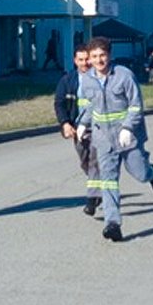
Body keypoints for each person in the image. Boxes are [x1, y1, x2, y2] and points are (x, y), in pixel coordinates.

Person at [77, 37, 153, 242]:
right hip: (103, 138)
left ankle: (152, 173)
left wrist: (127, 127)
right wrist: (82, 123)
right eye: (95, 57)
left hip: (128, 137)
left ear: (109, 56)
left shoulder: (124, 76)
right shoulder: (87, 80)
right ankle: (113, 223)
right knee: (109, 181)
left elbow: (136, 105)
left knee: (139, 173)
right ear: (89, 59)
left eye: (103, 56)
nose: (99, 60)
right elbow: (91, 106)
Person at [53, 44, 101, 215]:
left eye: (87, 59)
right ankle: (98, 188)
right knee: (86, 162)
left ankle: (91, 200)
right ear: (75, 61)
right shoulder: (68, 81)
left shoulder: (100, 77)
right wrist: (65, 123)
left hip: (99, 126)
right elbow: (59, 103)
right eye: (80, 60)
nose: (85, 63)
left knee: (95, 160)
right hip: (78, 129)